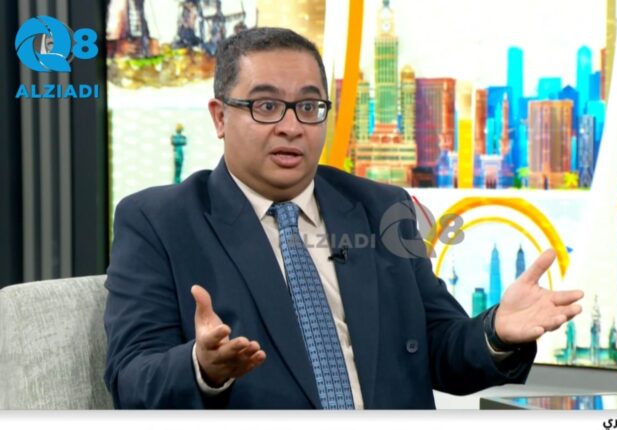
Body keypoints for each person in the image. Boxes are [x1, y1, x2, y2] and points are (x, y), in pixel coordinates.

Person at [103, 27, 584, 409]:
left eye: (308, 107)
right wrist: (201, 368)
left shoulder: (381, 208)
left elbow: (441, 348)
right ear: (219, 117)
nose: (291, 126)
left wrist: (496, 331)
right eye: (266, 106)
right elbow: (131, 380)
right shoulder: (160, 222)